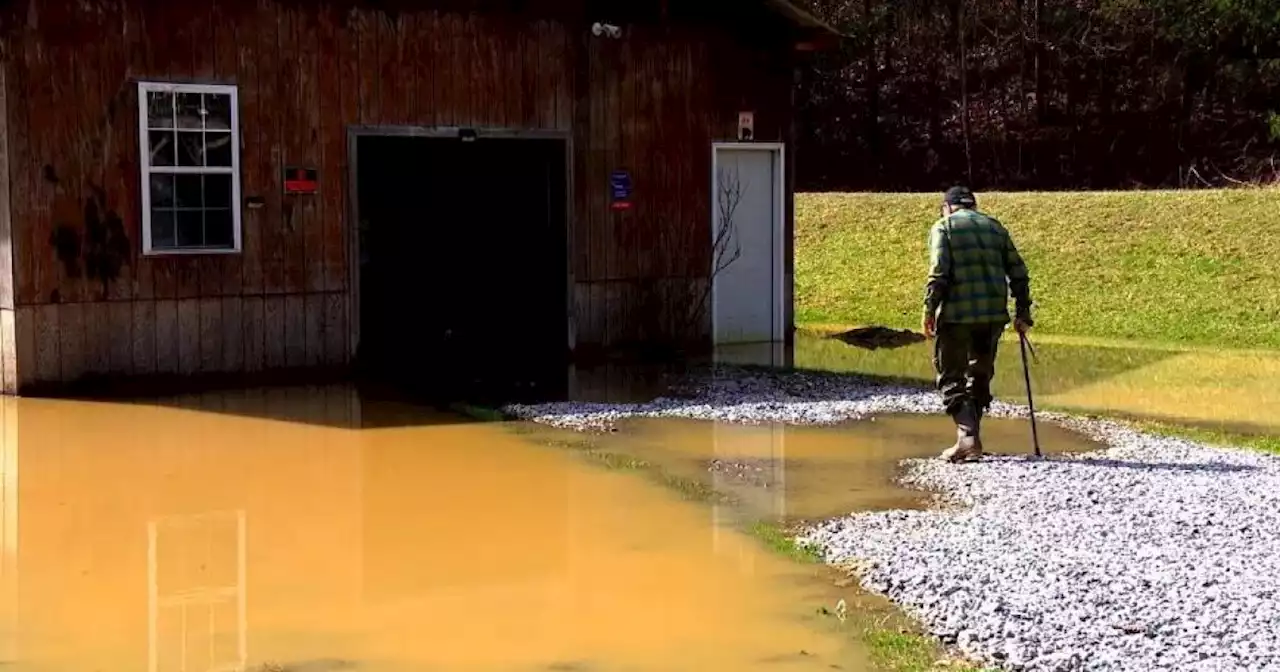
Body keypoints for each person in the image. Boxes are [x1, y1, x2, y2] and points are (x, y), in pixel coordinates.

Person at [922, 186, 1033, 463]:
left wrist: (928, 310)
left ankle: (968, 438)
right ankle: (971, 439)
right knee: (979, 374)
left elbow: (939, 273)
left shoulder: (944, 227)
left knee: (950, 376)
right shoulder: (995, 227)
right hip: (993, 316)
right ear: (973, 205)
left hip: (957, 317)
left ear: (947, 207)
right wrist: (1023, 312)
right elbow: (1018, 272)